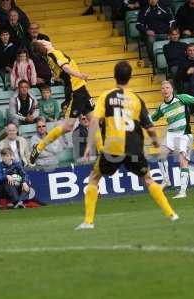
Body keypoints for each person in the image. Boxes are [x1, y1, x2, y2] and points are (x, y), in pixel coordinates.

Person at [75, 61, 179, 230]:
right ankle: (171, 214)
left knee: (94, 178)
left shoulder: (106, 96)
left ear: (114, 76)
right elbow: (150, 127)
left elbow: (94, 120)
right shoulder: (136, 99)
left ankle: (88, 222)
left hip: (112, 148)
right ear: (130, 77)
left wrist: (88, 146)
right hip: (134, 148)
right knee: (148, 179)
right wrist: (155, 142)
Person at [28, 40, 94, 164]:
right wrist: (80, 75)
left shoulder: (49, 57)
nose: (45, 40)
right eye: (42, 41)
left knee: (95, 121)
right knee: (68, 126)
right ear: (43, 46)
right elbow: (66, 68)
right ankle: (39, 147)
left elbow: (60, 74)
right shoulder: (54, 53)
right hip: (76, 90)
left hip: (81, 89)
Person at [153, 80, 194, 198]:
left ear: (172, 89)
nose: (165, 90)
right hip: (171, 134)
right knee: (161, 156)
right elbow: (152, 118)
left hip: (184, 134)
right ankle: (166, 181)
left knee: (183, 162)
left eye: (167, 88)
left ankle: (182, 191)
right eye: (163, 88)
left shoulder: (182, 98)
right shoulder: (162, 107)